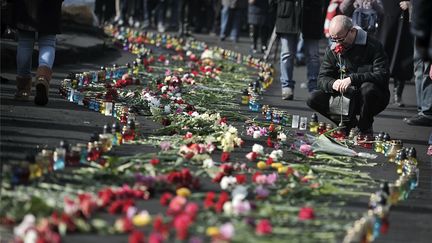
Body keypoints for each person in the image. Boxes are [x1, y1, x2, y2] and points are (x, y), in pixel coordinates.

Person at [307, 15, 390, 135]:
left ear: (352, 31)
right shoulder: (333, 48)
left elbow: (382, 75)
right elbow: (321, 79)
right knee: (313, 98)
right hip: (345, 96)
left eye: (340, 39)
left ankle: (364, 127)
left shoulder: (373, 46)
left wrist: (352, 79)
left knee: (368, 89)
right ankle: (349, 125)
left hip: (370, 97)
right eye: (333, 39)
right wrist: (333, 83)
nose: (337, 43)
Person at [270, 0, 323, 100]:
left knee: (313, 55)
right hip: (287, 13)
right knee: (287, 54)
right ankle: (286, 86)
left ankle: (313, 88)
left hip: (311, 13)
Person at [14, 0, 63, 106]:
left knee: (25, 43)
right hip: (51, 5)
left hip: (26, 5)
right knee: (48, 43)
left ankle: (23, 90)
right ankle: (42, 77)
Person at [379, 0, 413, 107]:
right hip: (387, 13)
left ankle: (397, 94)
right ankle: (379, 92)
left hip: (405, 16)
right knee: (383, 54)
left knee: (402, 54)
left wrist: (410, 3)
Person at [404, 0, 432, 126]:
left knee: (427, 68)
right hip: (419, 23)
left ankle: (427, 111)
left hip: (426, 24)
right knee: (419, 68)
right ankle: (422, 109)